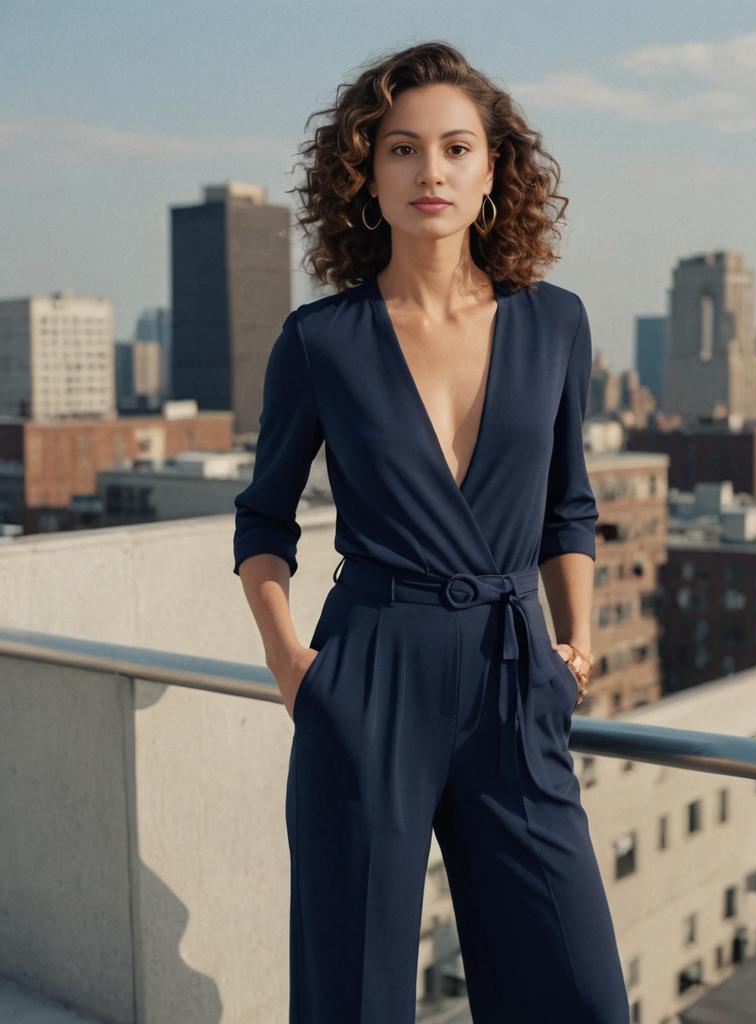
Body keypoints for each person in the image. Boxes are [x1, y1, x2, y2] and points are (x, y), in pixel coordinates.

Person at [232, 40, 629, 1024]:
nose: (431, 171)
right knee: (354, 993)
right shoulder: (320, 339)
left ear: (493, 170)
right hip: (369, 672)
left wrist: (575, 640)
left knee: (576, 989)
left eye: (456, 148)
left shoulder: (555, 324)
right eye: (402, 149)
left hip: (511, 675)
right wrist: (292, 660)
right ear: (366, 174)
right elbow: (263, 518)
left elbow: (567, 506)